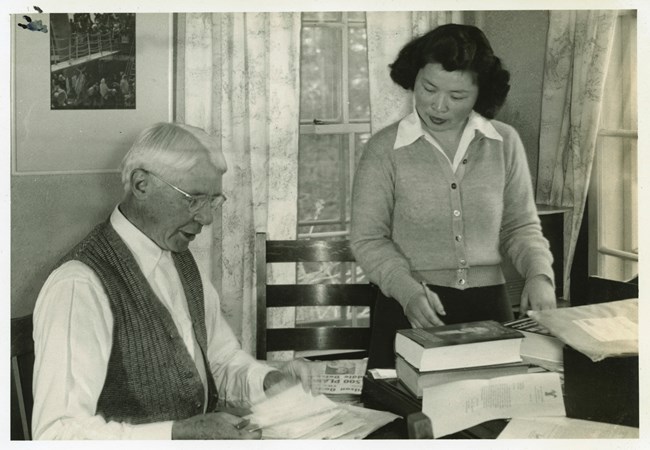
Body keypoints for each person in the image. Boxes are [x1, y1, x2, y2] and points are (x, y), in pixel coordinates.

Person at [32, 122, 313, 439]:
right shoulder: (78, 285)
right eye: (193, 199)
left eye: (213, 201)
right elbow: (56, 434)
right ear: (141, 185)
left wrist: (266, 382)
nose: (206, 218)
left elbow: (219, 362)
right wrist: (181, 433)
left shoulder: (178, 254)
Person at [350, 24, 556, 370]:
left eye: (457, 96)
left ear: (480, 94)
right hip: (410, 307)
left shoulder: (504, 142)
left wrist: (538, 274)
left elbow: (520, 226)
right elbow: (368, 239)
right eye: (428, 88)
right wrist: (409, 290)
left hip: (490, 309)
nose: (439, 106)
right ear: (413, 77)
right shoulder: (384, 149)